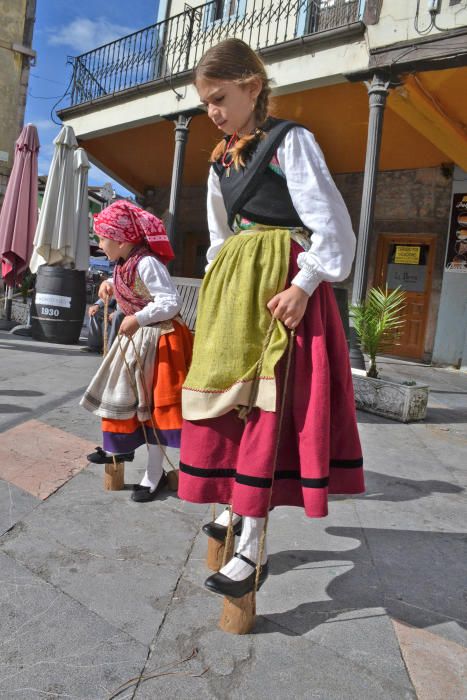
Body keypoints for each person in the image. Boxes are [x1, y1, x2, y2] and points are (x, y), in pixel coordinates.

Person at [178, 38, 364, 598]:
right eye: (205, 102)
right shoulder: (220, 159)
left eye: (220, 97)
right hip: (234, 290)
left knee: (267, 412)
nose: (212, 111)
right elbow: (218, 237)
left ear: (252, 87)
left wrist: (305, 284)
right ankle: (234, 504)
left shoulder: (291, 142)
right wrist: (217, 290)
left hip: (280, 291)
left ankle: (250, 544)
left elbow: (334, 231)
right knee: (226, 401)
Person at [81, 201, 193, 502]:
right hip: (137, 338)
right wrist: (108, 285)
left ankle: (154, 473)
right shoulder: (124, 262)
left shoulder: (147, 262)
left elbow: (170, 302)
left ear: (121, 239)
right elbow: (129, 285)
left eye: (102, 239)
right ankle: (118, 447)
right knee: (120, 394)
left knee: (155, 408)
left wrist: (138, 318)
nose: (100, 244)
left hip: (161, 341)